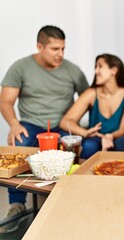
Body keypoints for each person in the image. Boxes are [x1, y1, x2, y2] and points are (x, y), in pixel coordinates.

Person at [0, 25, 89, 233]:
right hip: (31, 124)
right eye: (55, 49)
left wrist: (84, 126)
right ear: (39, 46)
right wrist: (14, 124)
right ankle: (17, 205)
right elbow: (6, 101)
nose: (60, 54)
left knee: (80, 149)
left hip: (62, 125)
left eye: (63, 49)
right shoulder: (20, 67)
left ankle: (72, 202)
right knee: (19, 145)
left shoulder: (73, 70)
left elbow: (89, 99)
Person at [59, 53, 124, 160]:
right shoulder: (91, 93)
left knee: (121, 144)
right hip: (96, 139)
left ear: (114, 70)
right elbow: (66, 121)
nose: (96, 71)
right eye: (95, 67)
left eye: (100, 66)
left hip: (120, 138)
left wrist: (109, 137)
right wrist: (85, 132)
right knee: (90, 145)